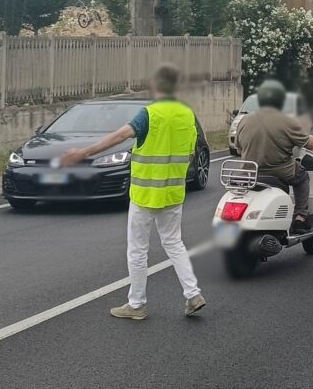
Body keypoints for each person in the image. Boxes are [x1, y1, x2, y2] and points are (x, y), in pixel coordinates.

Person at [59, 64, 206, 321]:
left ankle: (137, 305)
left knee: (138, 249)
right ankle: (193, 294)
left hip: (145, 194)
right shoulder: (187, 114)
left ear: (156, 85)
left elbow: (120, 136)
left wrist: (83, 153)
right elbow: (191, 151)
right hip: (173, 193)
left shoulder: (150, 113)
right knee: (174, 243)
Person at [236, 79, 313, 234]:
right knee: (302, 177)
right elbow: (309, 144)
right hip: (280, 171)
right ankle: (300, 218)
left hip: (250, 173)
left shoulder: (244, 120)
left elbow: (238, 148)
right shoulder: (287, 121)